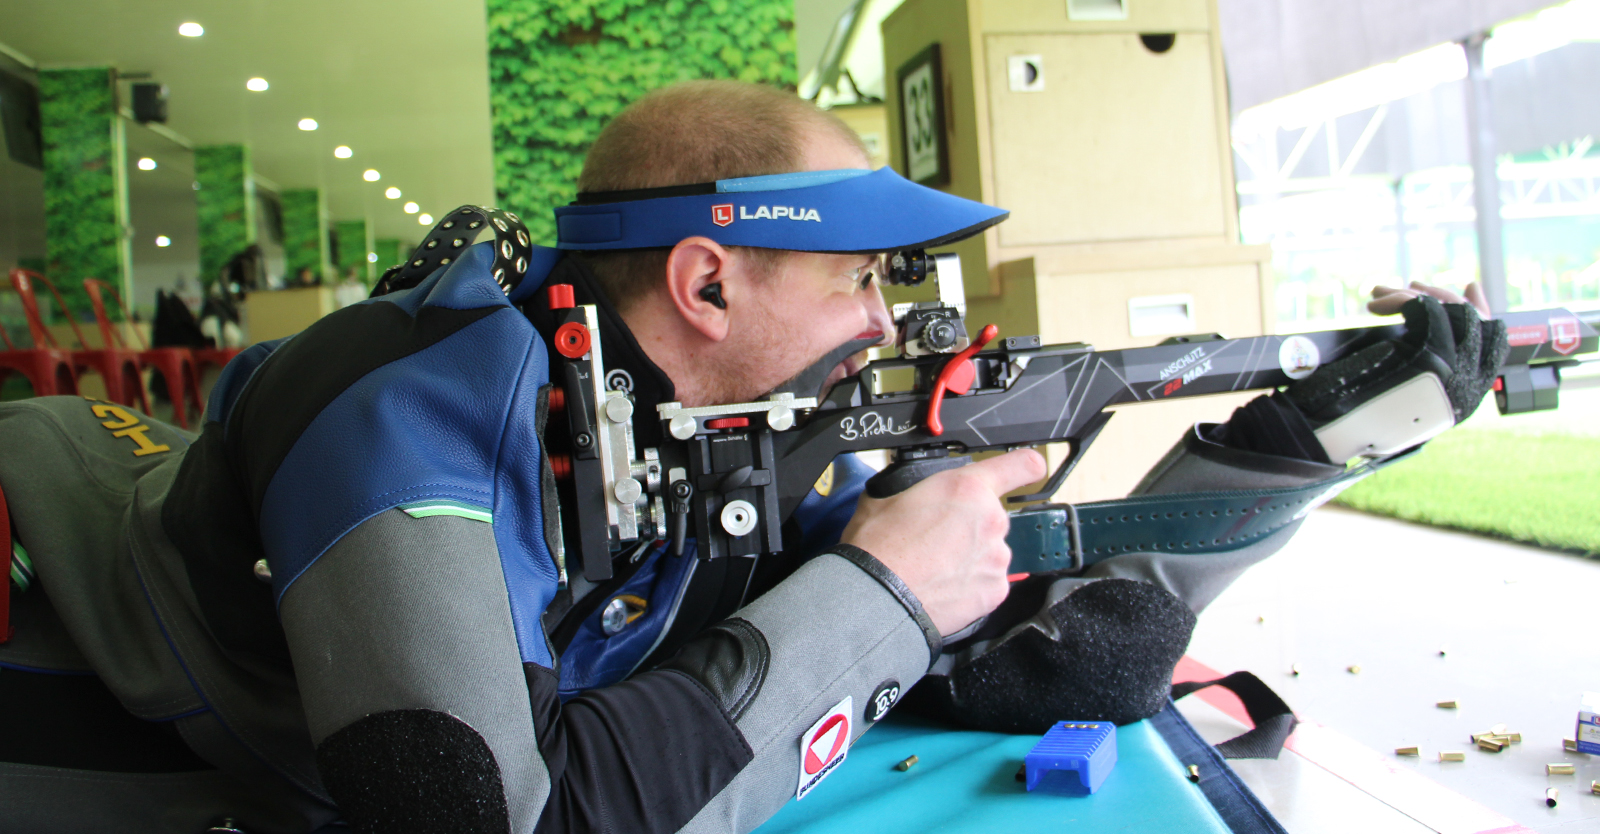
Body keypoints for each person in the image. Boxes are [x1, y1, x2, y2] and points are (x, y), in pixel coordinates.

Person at [0, 80, 1504, 834]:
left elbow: (1018, 642)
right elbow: (482, 816)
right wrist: (873, 592)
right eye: (863, 280)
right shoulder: (410, 421)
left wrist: (1308, 441)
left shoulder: (708, 428)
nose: (890, 320)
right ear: (710, 284)